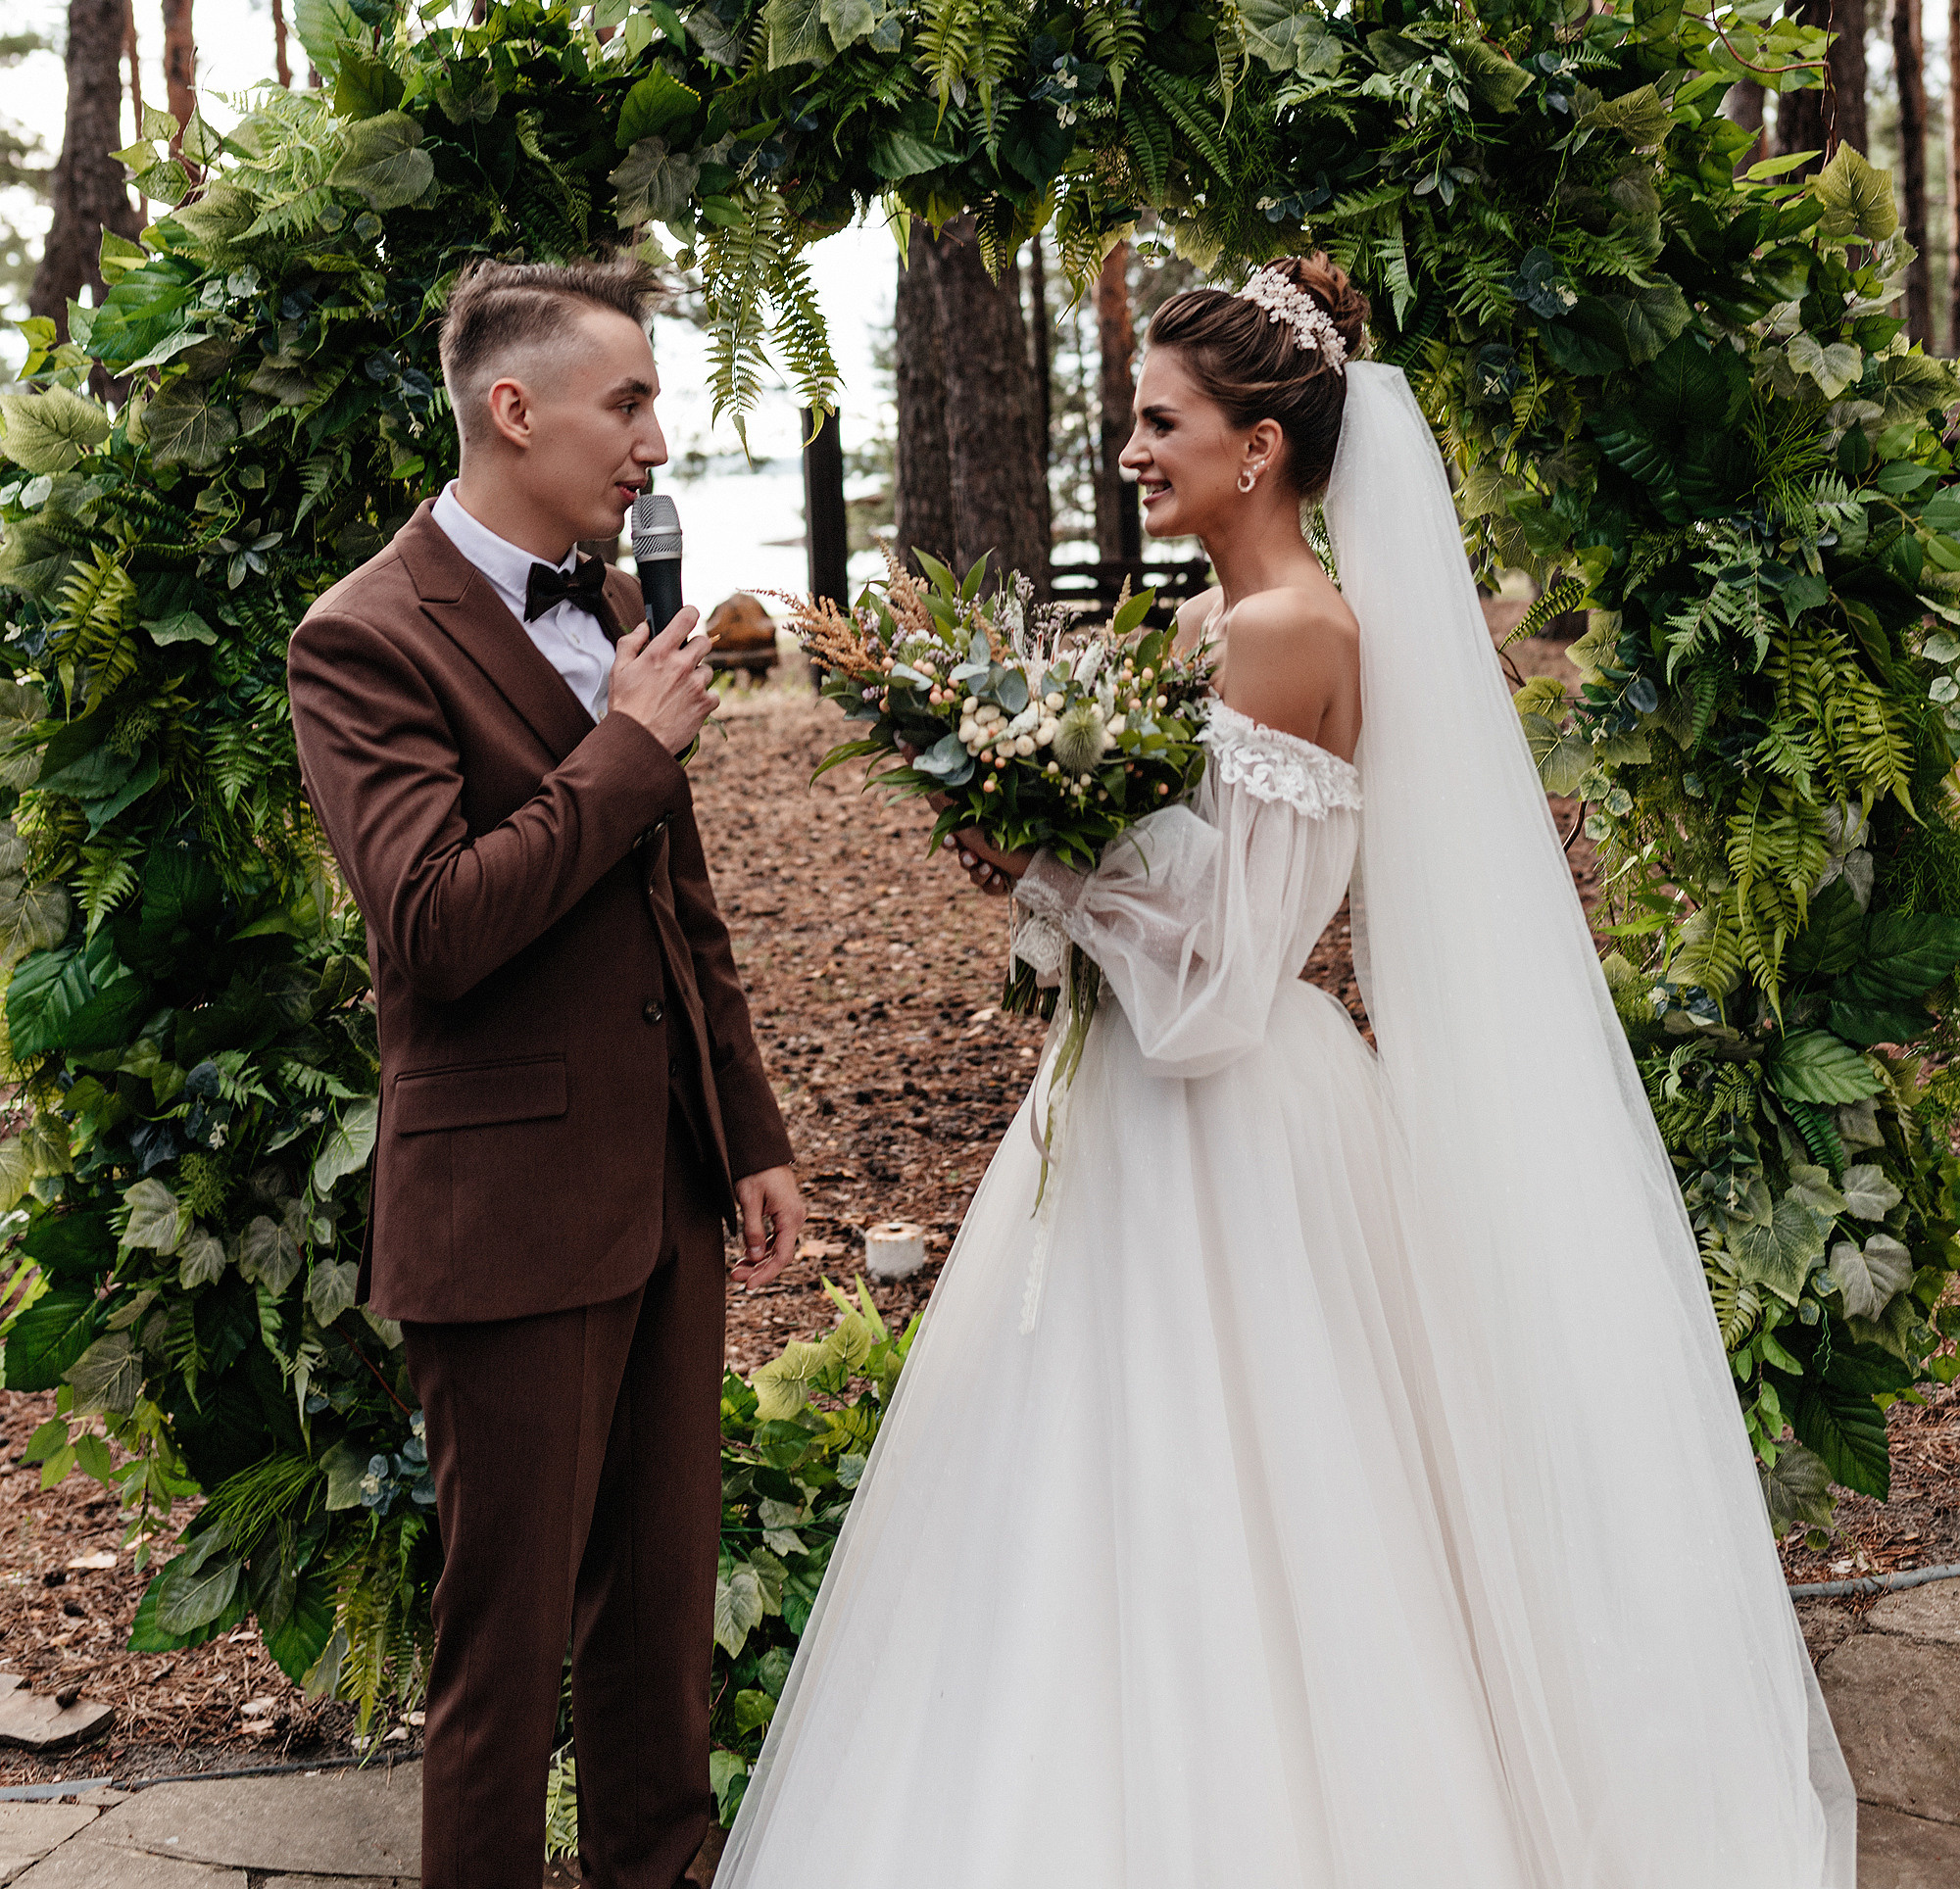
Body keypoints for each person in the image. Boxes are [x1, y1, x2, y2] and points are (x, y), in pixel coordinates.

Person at [718, 254, 1854, 1889]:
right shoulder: (1228, 620)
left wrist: (1043, 865)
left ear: (1258, 448)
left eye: (1159, 420)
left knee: (1220, 1497)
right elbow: (1184, 917)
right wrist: (1051, 865)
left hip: (1220, 1113)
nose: (1132, 449)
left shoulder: (1280, 631)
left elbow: (1214, 993)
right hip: (1209, 1103)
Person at [287, 258, 803, 1889]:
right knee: (502, 1663)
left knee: (657, 1626)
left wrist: (752, 1133)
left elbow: (681, 908)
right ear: (515, 410)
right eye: (628, 403)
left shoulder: (618, 612)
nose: (658, 440)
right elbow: (436, 926)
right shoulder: (363, 637)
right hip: (505, 1210)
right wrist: (629, 751)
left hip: (664, 1187)